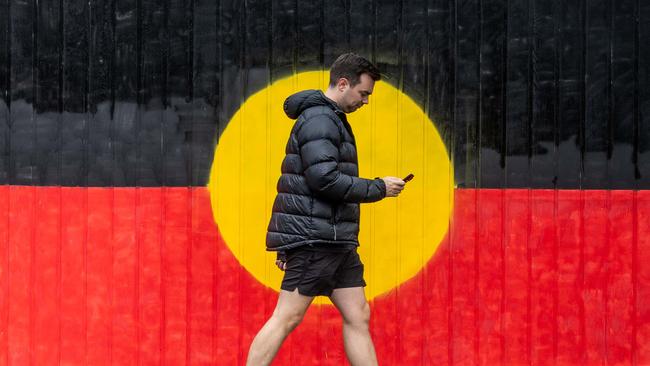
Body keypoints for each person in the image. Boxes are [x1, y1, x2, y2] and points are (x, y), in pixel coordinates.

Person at [246, 53, 406, 366]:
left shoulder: (330, 119)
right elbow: (323, 179)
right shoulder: (320, 119)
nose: (366, 101)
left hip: (336, 239)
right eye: (364, 94)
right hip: (317, 240)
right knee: (287, 317)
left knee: (357, 315)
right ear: (343, 83)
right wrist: (379, 188)